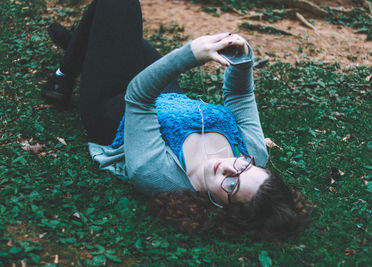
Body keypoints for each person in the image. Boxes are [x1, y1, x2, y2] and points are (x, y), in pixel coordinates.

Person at [43, 0, 308, 239]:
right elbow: (240, 96)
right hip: (169, 95)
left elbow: (138, 97)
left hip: (115, 107)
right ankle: (80, 44)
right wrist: (241, 57)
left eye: (231, 184)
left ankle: (64, 73)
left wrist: (189, 55)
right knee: (119, 34)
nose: (228, 167)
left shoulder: (159, 177)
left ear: (227, 211)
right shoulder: (254, 153)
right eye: (244, 166)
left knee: (118, 9)